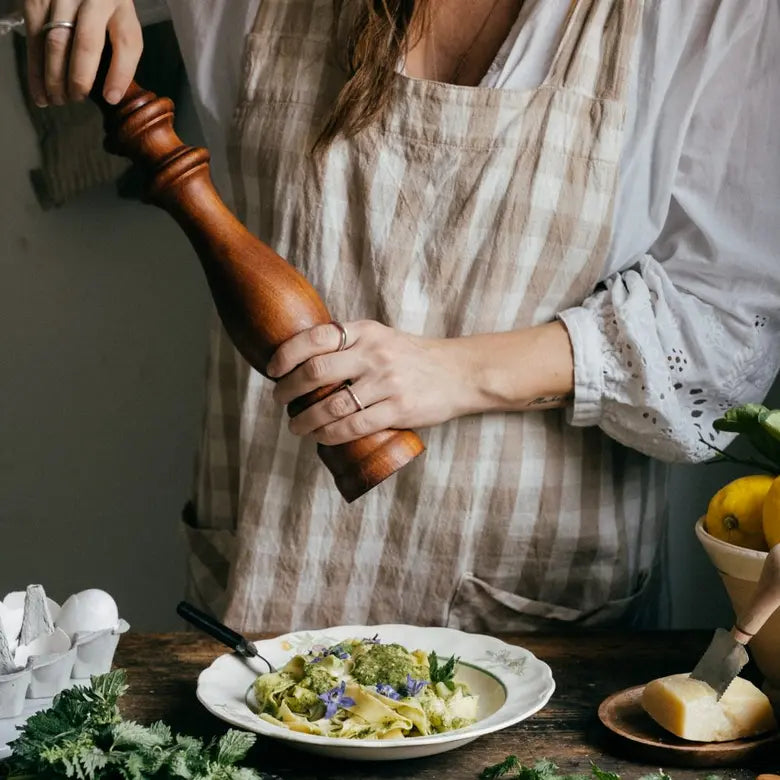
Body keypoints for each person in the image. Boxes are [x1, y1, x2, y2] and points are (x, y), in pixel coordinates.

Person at [22, 0, 780, 633]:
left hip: (541, 610)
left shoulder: (709, 14)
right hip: (269, 570)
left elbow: (728, 328)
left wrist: (453, 372)